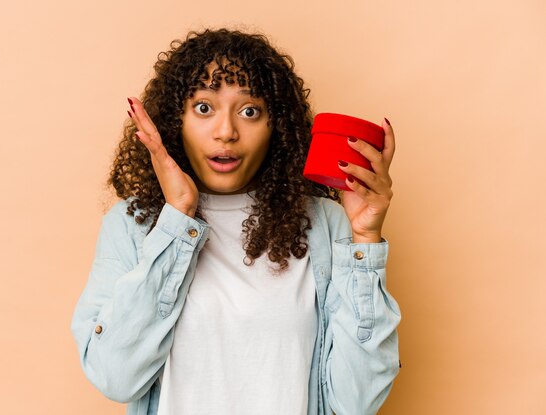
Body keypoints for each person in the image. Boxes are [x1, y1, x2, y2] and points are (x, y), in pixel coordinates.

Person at [71, 28, 401, 415]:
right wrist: (177, 217)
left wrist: (364, 238)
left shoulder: (325, 224)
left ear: (276, 125)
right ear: (176, 119)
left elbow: (355, 402)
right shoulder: (133, 225)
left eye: (249, 111)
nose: (226, 132)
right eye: (204, 108)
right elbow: (115, 376)